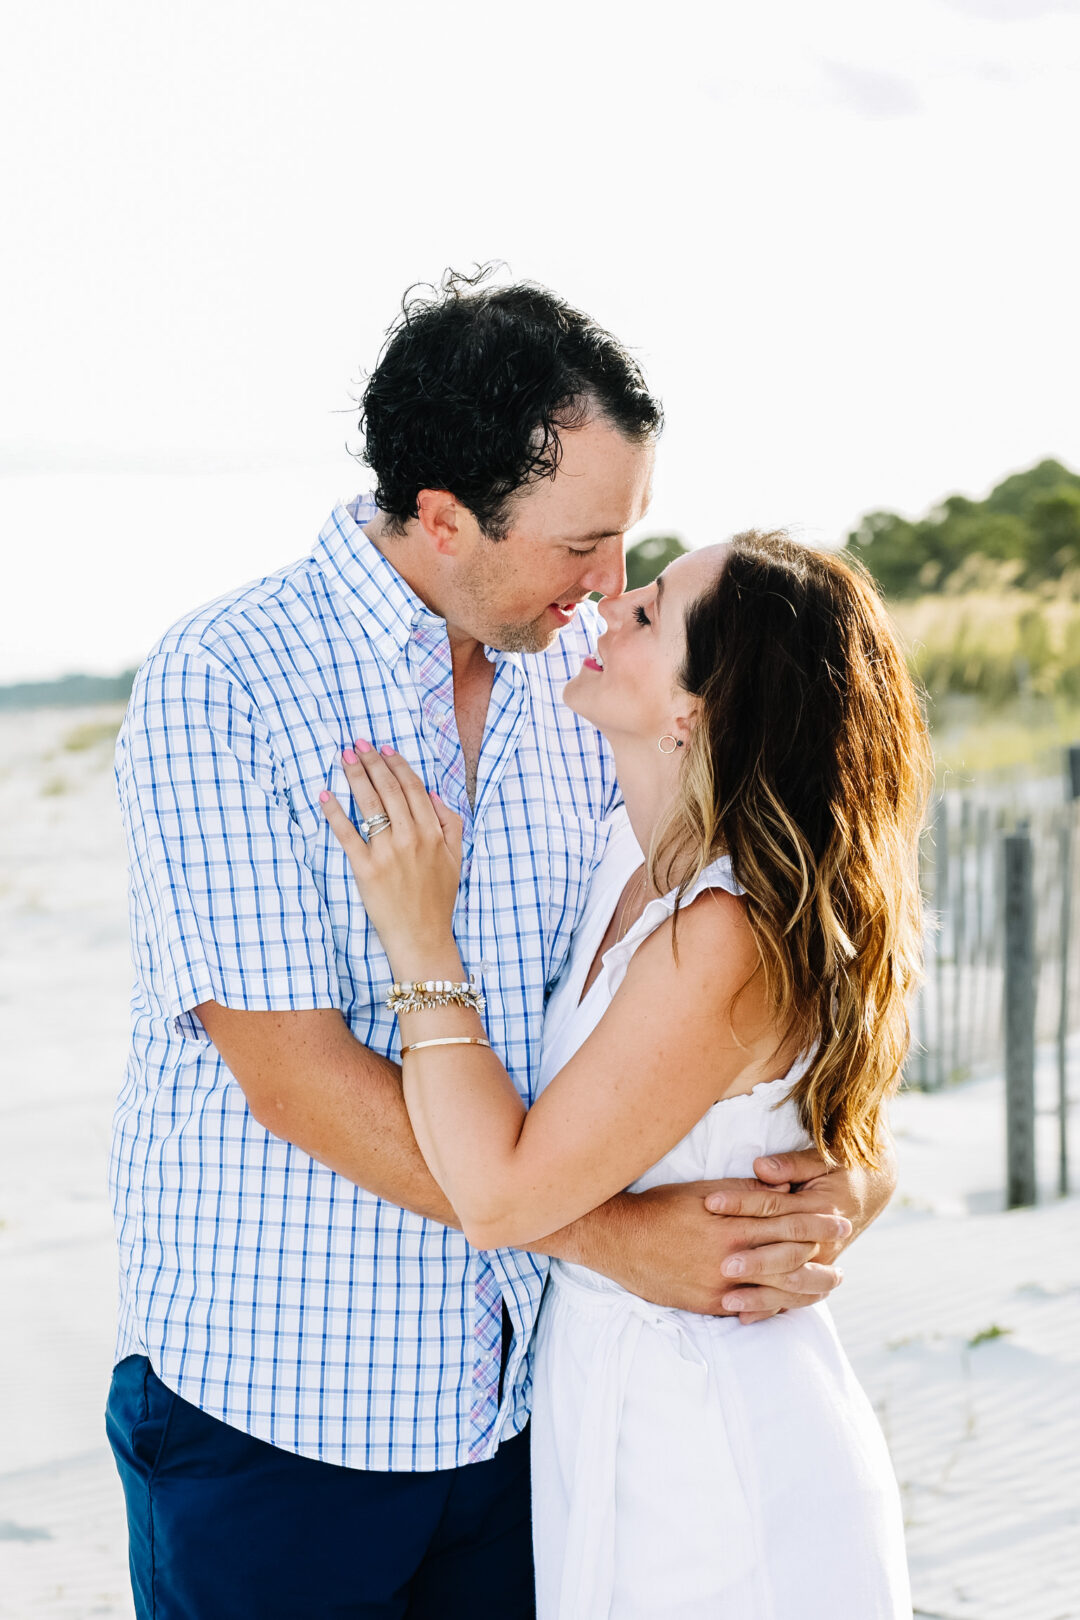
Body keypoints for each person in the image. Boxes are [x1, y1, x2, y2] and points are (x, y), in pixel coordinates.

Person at [107, 272, 893, 1618]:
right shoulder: (228, 680)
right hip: (289, 1417)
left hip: (533, 1413)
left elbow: (724, 994)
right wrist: (621, 1242)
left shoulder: (590, 682)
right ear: (444, 519)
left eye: (627, 544)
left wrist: (839, 1190)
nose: (612, 584)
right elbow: (292, 1074)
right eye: (583, 543)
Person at [321, 527, 929, 1618]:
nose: (609, 608)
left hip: (715, 1453)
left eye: (649, 613)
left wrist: (421, 941)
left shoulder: (726, 934)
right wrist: (851, 1182)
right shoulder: (630, 857)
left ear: (699, 707)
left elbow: (503, 1196)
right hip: (608, 1413)